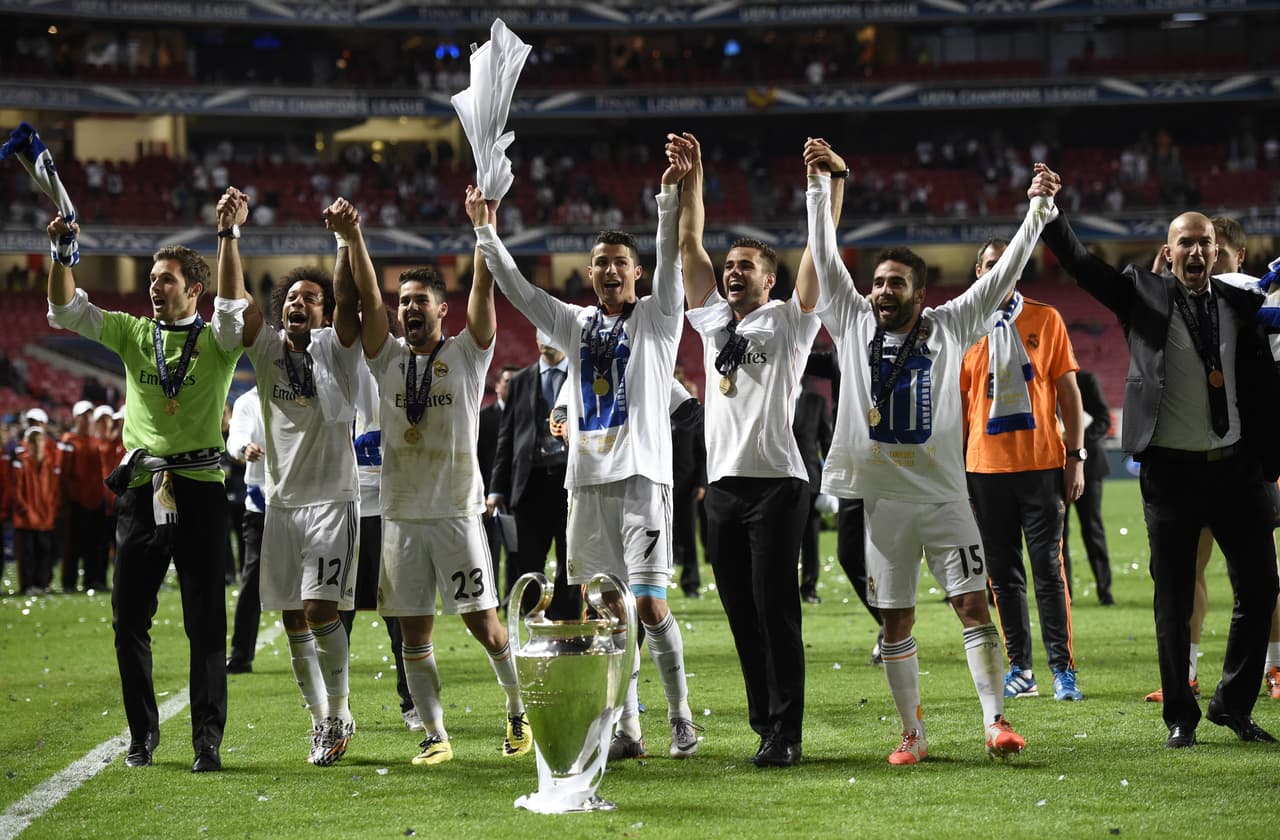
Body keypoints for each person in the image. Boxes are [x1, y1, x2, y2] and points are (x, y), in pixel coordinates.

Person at [803, 137, 1061, 764]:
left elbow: (1003, 274)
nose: (881, 291)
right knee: (896, 622)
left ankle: (996, 721)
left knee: (974, 604)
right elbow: (824, 253)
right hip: (885, 504)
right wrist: (818, 184)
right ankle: (911, 734)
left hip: (947, 498)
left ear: (919, 293)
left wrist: (1037, 213)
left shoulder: (950, 325)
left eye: (895, 284)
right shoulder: (853, 319)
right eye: (878, 282)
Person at [472, 142, 701, 762]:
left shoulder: (658, 318)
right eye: (599, 262)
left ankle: (681, 718)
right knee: (605, 613)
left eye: (619, 262)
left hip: (642, 480)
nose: (607, 271)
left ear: (636, 272)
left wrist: (669, 199)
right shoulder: (573, 324)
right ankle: (627, 728)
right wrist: (487, 235)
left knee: (649, 605)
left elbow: (675, 263)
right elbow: (520, 292)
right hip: (586, 484)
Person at [1040, 200, 1280, 749]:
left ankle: (1232, 705)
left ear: (1217, 253)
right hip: (1172, 475)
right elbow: (1082, 264)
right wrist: (1050, 214)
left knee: (1262, 587)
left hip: (1238, 468)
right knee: (1171, 600)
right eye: (1185, 243)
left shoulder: (1239, 300)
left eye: (1204, 243)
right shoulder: (1141, 295)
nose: (1196, 251)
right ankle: (1181, 717)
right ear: (1168, 254)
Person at [47, 213, 242, 773]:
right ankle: (143, 735)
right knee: (128, 617)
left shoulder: (218, 340)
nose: (154, 287)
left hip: (202, 487)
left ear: (194, 289)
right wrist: (62, 251)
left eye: (166, 279)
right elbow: (66, 311)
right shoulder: (135, 333)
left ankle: (207, 739)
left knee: (205, 621)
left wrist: (229, 236)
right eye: (152, 278)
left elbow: (233, 307)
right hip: (142, 487)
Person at [349, 186, 532, 767]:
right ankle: (436, 736)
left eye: (419, 300)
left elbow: (483, 288)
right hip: (401, 516)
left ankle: (517, 713)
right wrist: (352, 237)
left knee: (485, 625)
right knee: (413, 637)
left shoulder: (467, 355)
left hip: (456, 511)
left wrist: (484, 228)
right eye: (402, 301)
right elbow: (365, 305)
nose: (407, 309)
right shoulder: (386, 359)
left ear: (439, 309)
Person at [675, 131, 817, 767]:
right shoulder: (711, 323)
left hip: (777, 485)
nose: (731, 273)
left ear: (770, 279)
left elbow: (822, 254)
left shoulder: (789, 321)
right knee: (739, 613)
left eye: (745, 267)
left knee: (775, 611)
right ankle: (766, 724)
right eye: (728, 266)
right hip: (723, 488)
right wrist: (695, 176)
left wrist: (824, 187)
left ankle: (787, 730)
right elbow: (687, 244)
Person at [214, 188, 362, 767]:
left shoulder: (339, 349)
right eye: (293, 297)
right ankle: (321, 719)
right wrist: (230, 234)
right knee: (294, 615)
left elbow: (350, 297)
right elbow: (233, 299)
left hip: (332, 498)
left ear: (324, 312)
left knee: (321, 607)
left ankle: (340, 709)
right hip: (279, 502)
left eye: (312, 298)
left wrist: (344, 242)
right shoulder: (269, 351)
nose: (300, 302)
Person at [960, 238, 1085, 702]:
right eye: (991, 263)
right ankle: (1020, 669)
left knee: (1049, 572)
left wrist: (1077, 457)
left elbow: (1070, 394)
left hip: (1042, 466)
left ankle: (1062, 670)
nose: (998, 271)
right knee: (1003, 578)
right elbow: (957, 405)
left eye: (1006, 265)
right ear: (978, 270)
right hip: (983, 470)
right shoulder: (962, 324)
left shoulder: (1045, 318)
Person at [344, 302, 416, 732]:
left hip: (392, 507)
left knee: (399, 616)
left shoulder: (404, 360)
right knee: (337, 615)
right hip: (345, 506)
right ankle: (336, 707)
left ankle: (411, 703)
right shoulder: (333, 360)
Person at [486, 334, 581, 620]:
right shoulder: (520, 381)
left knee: (572, 560)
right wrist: (496, 489)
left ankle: (566, 624)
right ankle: (534, 625)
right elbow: (507, 437)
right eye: (541, 332)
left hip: (571, 482)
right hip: (529, 485)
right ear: (536, 340)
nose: (548, 338)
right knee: (527, 561)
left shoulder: (580, 375)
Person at [1062, 369, 1114, 605]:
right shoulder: (1041, 380)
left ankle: (1105, 592)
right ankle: (1064, 594)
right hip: (1054, 470)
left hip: (1089, 468)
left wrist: (1076, 441)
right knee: (1058, 536)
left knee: (1092, 530)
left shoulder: (1086, 380)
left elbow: (1103, 419)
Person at [224, 387, 265, 675]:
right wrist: (243, 447)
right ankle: (241, 653)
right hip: (262, 503)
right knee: (252, 579)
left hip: (306, 501)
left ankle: (324, 651)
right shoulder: (248, 401)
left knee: (314, 583)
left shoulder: (307, 388)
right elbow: (237, 434)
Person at [58, 399, 106, 592]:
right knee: (72, 545)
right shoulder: (68, 441)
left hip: (95, 500)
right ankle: (69, 583)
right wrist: (68, 499)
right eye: (84, 416)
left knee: (93, 545)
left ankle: (91, 580)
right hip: (76, 502)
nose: (87, 420)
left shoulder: (95, 442)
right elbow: (63, 474)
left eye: (89, 416)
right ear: (76, 418)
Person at [793, 376, 833, 605]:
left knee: (811, 539)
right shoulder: (774, 397)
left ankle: (809, 587)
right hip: (779, 479)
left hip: (810, 481)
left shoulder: (816, 402)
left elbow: (826, 443)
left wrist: (830, 485)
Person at [479, 364, 517, 592]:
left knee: (516, 550)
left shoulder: (527, 416)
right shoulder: (483, 418)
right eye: (508, 381)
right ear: (497, 386)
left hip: (518, 494)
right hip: (488, 495)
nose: (512, 387)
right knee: (489, 549)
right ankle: (490, 598)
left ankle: (512, 599)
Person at [12, 426, 60, 594]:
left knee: (45, 553)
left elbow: (54, 490)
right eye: (33, 441)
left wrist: (51, 510)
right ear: (28, 444)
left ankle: (42, 584)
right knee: (27, 554)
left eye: (40, 440)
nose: (37, 444)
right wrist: (26, 511)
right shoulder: (21, 463)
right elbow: (17, 491)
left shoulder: (49, 463)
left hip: (45, 517)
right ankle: (27, 585)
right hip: (27, 519)